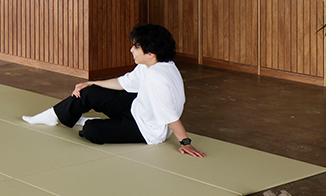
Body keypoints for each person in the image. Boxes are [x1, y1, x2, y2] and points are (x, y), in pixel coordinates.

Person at [22, 23, 205, 157]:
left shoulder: (157, 77)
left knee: (91, 130)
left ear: (150, 53)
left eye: (136, 47)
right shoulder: (153, 64)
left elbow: (169, 115)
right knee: (88, 92)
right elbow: (125, 83)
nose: (131, 50)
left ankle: (89, 121)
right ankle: (53, 115)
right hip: (137, 108)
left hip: (147, 130)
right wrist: (92, 83)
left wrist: (185, 142)